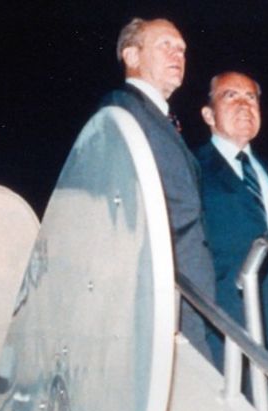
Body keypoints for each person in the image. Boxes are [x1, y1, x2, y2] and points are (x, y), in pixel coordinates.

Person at [100, 17, 217, 362]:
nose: (178, 54)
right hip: (162, 291)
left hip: (186, 293)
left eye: (181, 49)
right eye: (165, 45)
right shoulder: (123, 109)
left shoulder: (159, 117)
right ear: (132, 56)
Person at [195, 72, 268, 408]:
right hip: (228, 326)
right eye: (231, 96)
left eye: (252, 97)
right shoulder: (192, 168)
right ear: (208, 114)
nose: (245, 104)